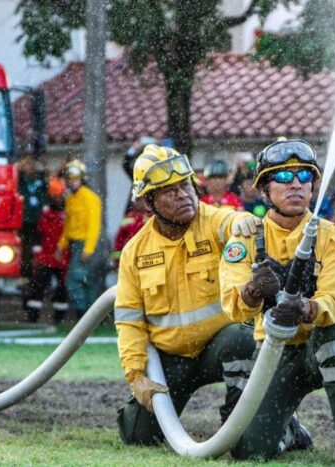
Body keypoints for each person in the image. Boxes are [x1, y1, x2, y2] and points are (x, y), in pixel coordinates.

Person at [221, 138, 335, 464]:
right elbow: (233, 307)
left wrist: (306, 308)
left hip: (317, 346)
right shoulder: (245, 238)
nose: (296, 185)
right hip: (273, 354)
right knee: (249, 452)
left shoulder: (332, 236)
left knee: (334, 333)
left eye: (304, 177)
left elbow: (333, 302)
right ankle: (289, 432)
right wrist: (253, 291)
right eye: (284, 177)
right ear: (264, 190)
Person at [114, 145, 266, 447]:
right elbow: (129, 320)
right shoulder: (135, 252)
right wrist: (136, 376)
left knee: (242, 339)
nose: (182, 194)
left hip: (219, 346)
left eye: (185, 184)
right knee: (137, 436)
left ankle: (249, 424)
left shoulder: (214, 221)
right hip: (172, 359)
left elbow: (230, 222)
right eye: (169, 191)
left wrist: (242, 223)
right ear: (149, 201)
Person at [56, 160, 102, 321]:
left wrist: (88, 249)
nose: (71, 181)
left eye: (75, 178)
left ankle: (83, 316)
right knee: (85, 280)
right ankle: (94, 318)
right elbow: (68, 225)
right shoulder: (70, 199)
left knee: (74, 281)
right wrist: (61, 246)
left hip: (85, 245)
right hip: (74, 245)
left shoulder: (90, 198)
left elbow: (94, 225)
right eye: (69, 178)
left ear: (82, 179)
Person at [22, 178, 69, 323]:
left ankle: (59, 319)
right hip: (46, 256)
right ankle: (32, 316)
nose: (58, 199)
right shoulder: (45, 213)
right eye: (55, 196)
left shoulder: (68, 213)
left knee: (62, 288)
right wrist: (36, 254)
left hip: (62, 257)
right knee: (38, 285)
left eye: (59, 195)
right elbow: (38, 233)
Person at [18, 153, 48, 278]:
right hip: (24, 220)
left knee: (38, 248)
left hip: (39, 220)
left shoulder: (40, 180)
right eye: (27, 164)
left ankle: (38, 276)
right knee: (24, 249)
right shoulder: (21, 179)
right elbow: (15, 169)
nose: (30, 167)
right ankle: (25, 275)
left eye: (32, 164)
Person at [111, 197, 151, 269]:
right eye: (136, 201)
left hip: (147, 257)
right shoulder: (127, 218)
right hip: (129, 257)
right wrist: (117, 260)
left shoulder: (151, 218)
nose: (139, 204)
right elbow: (119, 240)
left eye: (141, 201)